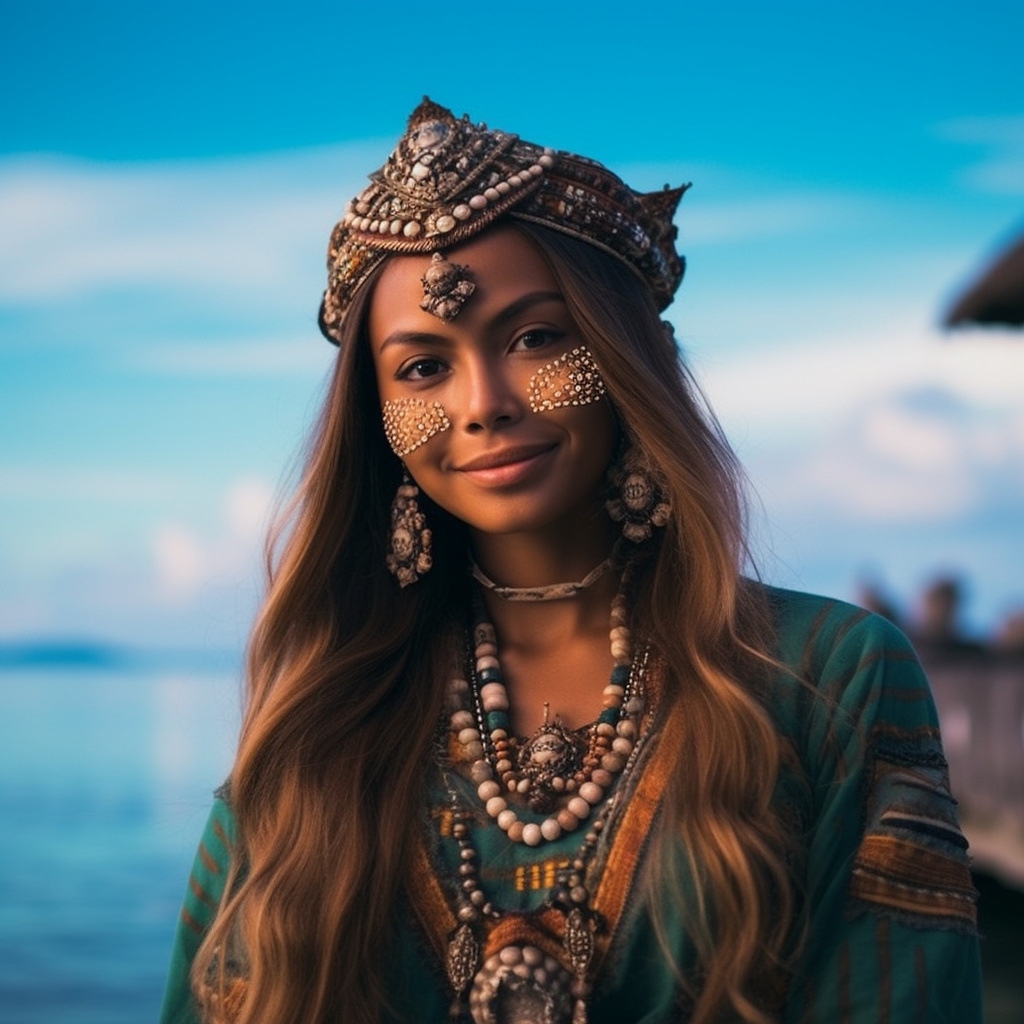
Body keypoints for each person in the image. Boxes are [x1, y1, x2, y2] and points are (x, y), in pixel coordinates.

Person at [160, 99, 982, 1024]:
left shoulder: (830, 675)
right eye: (423, 368)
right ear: (375, 420)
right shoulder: (313, 726)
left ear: (633, 356)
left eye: (537, 338)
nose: (483, 403)